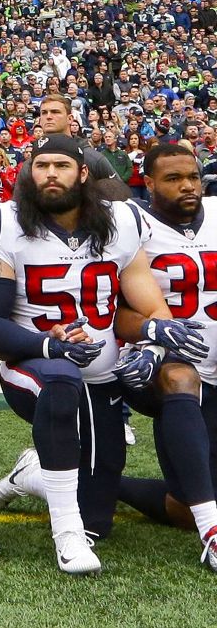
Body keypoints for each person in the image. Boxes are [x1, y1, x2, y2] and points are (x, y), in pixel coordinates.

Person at [0, 134, 177, 575]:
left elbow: (152, 306)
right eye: (41, 165)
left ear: (83, 173)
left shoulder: (120, 221)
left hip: (102, 378)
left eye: (61, 165)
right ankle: (66, 534)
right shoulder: (3, 222)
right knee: (62, 377)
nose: (49, 174)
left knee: (99, 520)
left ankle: (29, 476)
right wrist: (50, 344)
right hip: (33, 367)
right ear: (29, 171)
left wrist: (151, 344)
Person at [105, 145, 217, 571]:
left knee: (183, 509)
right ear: (148, 183)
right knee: (179, 377)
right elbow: (111, 312)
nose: (188, 186)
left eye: (193, 176)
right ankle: (212, 533)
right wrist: (154, 331)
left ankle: (81, 481)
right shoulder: (131, 224)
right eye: (173, 179)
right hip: (158, 366)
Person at [36, 95, 130, 201]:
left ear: (70, 119)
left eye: (55, 112)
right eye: (44, 112)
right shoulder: (32, 162)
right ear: (39, 120)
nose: (48, 116)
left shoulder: (93, 159)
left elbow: (121, 197)